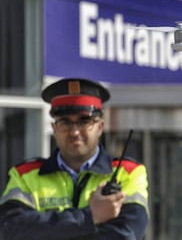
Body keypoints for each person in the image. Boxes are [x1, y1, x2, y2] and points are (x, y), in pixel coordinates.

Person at [0, 78, 149, 240]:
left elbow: (125, 235)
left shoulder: (127, 172)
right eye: (65, 122)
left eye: (84, 121)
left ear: (100, 127)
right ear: (54, 128)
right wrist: (89, 217)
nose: (74, 132)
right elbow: (10, 230)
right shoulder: (25, 175)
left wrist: (47, 230)